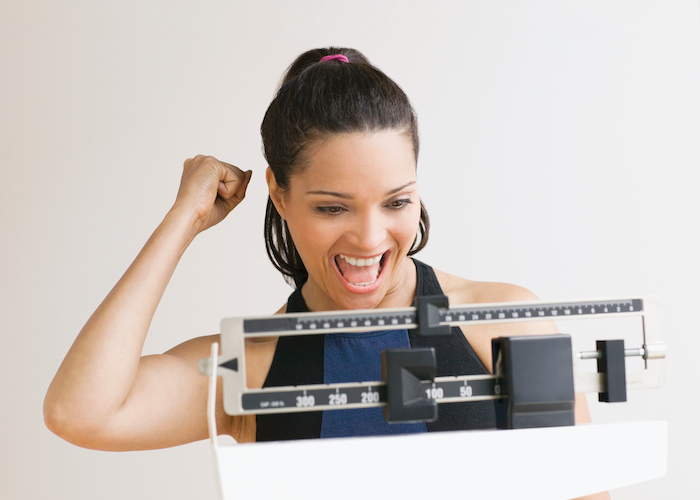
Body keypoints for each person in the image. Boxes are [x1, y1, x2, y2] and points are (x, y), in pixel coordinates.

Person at [44, 47, 607, 498]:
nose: (368, 237)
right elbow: (82, 412)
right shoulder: (254, 364)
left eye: (396, 202)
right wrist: (183, 218)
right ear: (279, 195)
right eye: (332, 207)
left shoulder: (503, 324)